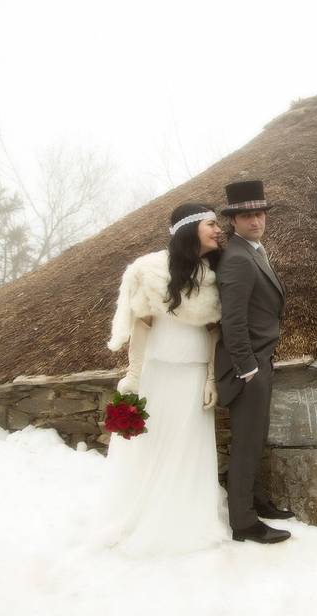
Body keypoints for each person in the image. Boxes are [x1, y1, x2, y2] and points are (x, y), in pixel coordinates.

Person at [95, 202, 231, 556]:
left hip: (192, 378)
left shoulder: (215, 277)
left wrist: (210, 379)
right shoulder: (150, 270)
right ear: (190, 229)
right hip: (157, 375)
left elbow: (214, 336)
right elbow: (141, 330)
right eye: (211, 224)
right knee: (151, 448)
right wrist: (133, 377)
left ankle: (185, 516)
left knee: (189, 453)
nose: (219, 230)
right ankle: (143, 514)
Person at [215, 179, 294, 544]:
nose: (255, 221)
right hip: (248, 367)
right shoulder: (237, 258)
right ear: (234, 220)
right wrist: (247, 368)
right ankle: (244, 523)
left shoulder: (255, 251)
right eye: (247, 216)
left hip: (262, 359)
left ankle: (254, 500)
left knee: (257, 436)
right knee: (246, 442)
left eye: (259, 214)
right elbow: (232, 320)